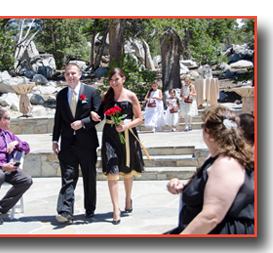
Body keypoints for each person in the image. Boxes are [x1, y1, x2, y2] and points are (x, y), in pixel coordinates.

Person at [165, 105, 254, 234]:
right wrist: (181, 186)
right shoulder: (215, 159)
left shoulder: (226, 164)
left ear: (208, 134)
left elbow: (211, 217)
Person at [90, 68, 145, 225]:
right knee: (112, 171)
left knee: (127, 171)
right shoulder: (106, 96)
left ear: (123, 79)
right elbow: (99, 114)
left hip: (127, 136)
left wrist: (126, 126)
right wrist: (92, 114)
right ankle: (116, 209)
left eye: (117, 79)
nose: (114, 82)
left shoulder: (131, 96)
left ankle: (128, 199)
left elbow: (139, 118)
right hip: (109, 136)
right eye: (111, 80)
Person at [52, 63, 101, 223]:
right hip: (67, 143)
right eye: (67, 74)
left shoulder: (91, 92)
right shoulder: (61, 95)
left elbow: (99, 115)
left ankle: (90, 208)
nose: (70, 76)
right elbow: (58, 119)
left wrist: (83, 123)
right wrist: (54, 139)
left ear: (80, 74)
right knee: (67, 177)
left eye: (73, 73)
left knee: (89, 176)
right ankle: (65, 212)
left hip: (87, 142)